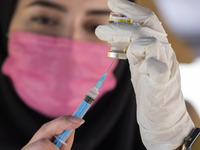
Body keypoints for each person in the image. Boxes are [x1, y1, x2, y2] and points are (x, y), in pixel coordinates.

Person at [0, 0, 196, 149]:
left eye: (95, 27)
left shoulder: (175, 124)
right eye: (44, 19)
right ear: (5, 21)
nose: (72, 52)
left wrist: (175, 145)